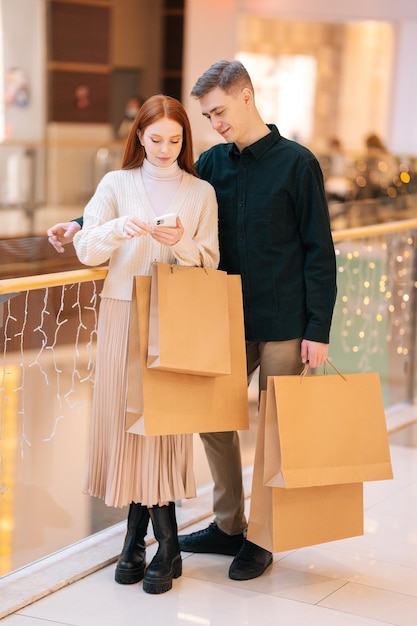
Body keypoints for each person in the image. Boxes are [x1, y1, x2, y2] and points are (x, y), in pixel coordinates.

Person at [47, 59, 337, 583]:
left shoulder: (298, 163)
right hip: (215, 316)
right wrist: (80, 223)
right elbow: (149, 193)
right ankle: (228, 525)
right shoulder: (215, 164)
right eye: (207, 116)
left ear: (247, 96)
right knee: (212, 423)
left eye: (219, 111)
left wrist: (318, 329)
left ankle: (261, 539)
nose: (215, 123)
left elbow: (321, 250)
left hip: (282, 319)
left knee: (273, 430)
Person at [70, 94, 219, 595]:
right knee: (128, 425)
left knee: (163, 427)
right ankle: (156, 542)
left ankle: (149, 542)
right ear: (139, 136)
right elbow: (87, 249)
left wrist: (177, 240)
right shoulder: (116, 184)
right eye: (155, 139)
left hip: (174, 316)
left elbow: (210, 261)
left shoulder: (199, 192)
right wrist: (118, 227)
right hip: (120, 313)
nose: (165, 149)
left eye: (175, 141)